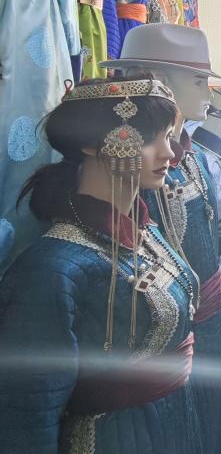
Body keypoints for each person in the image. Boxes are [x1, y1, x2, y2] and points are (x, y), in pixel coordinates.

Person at [0, 77, 207, 453]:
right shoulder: (52, 268)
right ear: (91, 143)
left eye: (169, 136)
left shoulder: (145, 231)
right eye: (151, 138)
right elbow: (27, 414)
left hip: (174, 423)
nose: (170, 154)